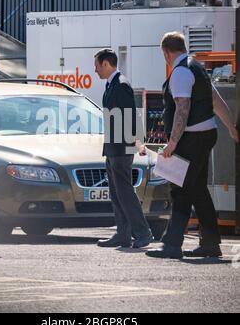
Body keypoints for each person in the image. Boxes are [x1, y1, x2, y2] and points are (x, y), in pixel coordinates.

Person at [146, 32, 239, 259]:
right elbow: (216, 102)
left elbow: (182, 108)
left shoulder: (180, 72)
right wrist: (231, 127)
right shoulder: (198, 68)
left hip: (190, 138)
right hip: (206, 135)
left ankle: (172, 245)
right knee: (198, 190)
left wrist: (173, 142)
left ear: (166, 52)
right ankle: (210, 244)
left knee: (180, 191)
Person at [94, 49, 154, 249]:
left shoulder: (121, 85)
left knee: (125, 192)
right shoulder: (112, 84)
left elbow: (130, 115)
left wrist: (137, 143)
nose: (95, 70)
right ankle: (123, 234)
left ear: (105, 64)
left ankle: (143, 233)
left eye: (96, 65)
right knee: (117, 193)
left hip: (121, 148)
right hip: (113, 147)